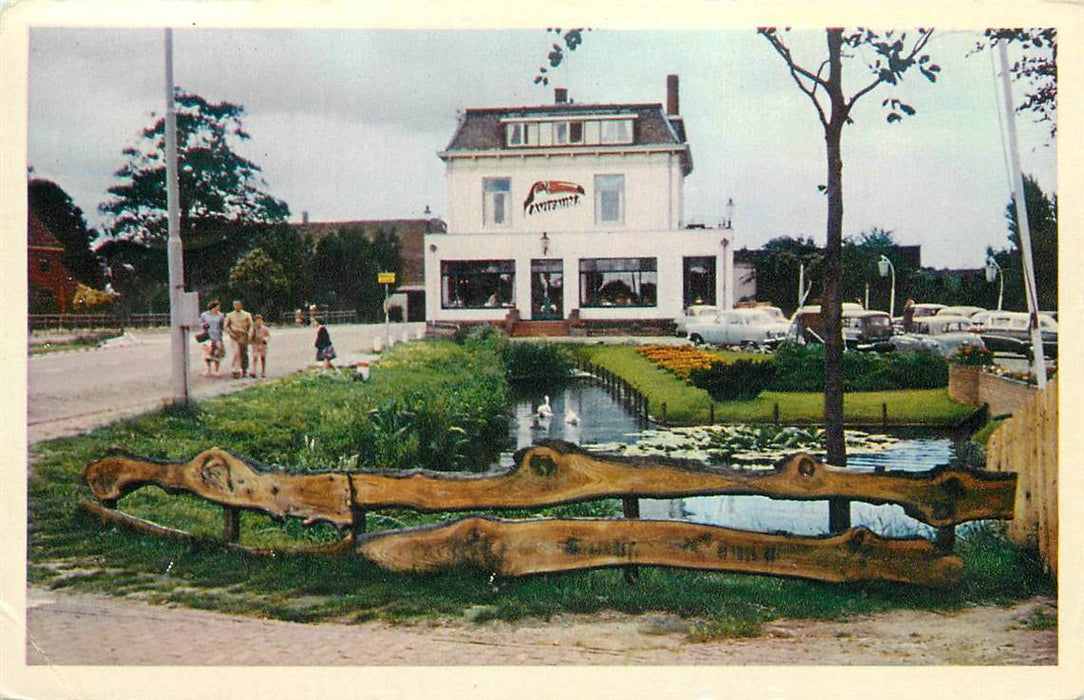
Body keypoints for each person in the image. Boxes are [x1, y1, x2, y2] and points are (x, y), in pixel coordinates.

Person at [223, 299, 254, 378]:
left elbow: (251, 326)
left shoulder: (246, 314)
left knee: (244, 353)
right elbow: (226, 326)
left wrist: (250, 335)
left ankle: (244, 369)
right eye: (235, 305)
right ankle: (236, 370)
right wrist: (230, 333)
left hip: (243, 335)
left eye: (238, 305)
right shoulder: (230, 315)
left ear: (241, 305)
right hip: (234, 335)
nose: (236, 306)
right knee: (236, 352)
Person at [198, 300, 225, 377]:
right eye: (217, 306)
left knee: (217, 353)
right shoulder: (204, 315)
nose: (218, 308)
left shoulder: (221, 315)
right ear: (213, 307)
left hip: (217, 336)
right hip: (207, 336)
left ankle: (217, 370)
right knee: (208, 354)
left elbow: (222, 325)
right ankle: (208, 369)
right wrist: (203, 325)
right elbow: (200, 323)